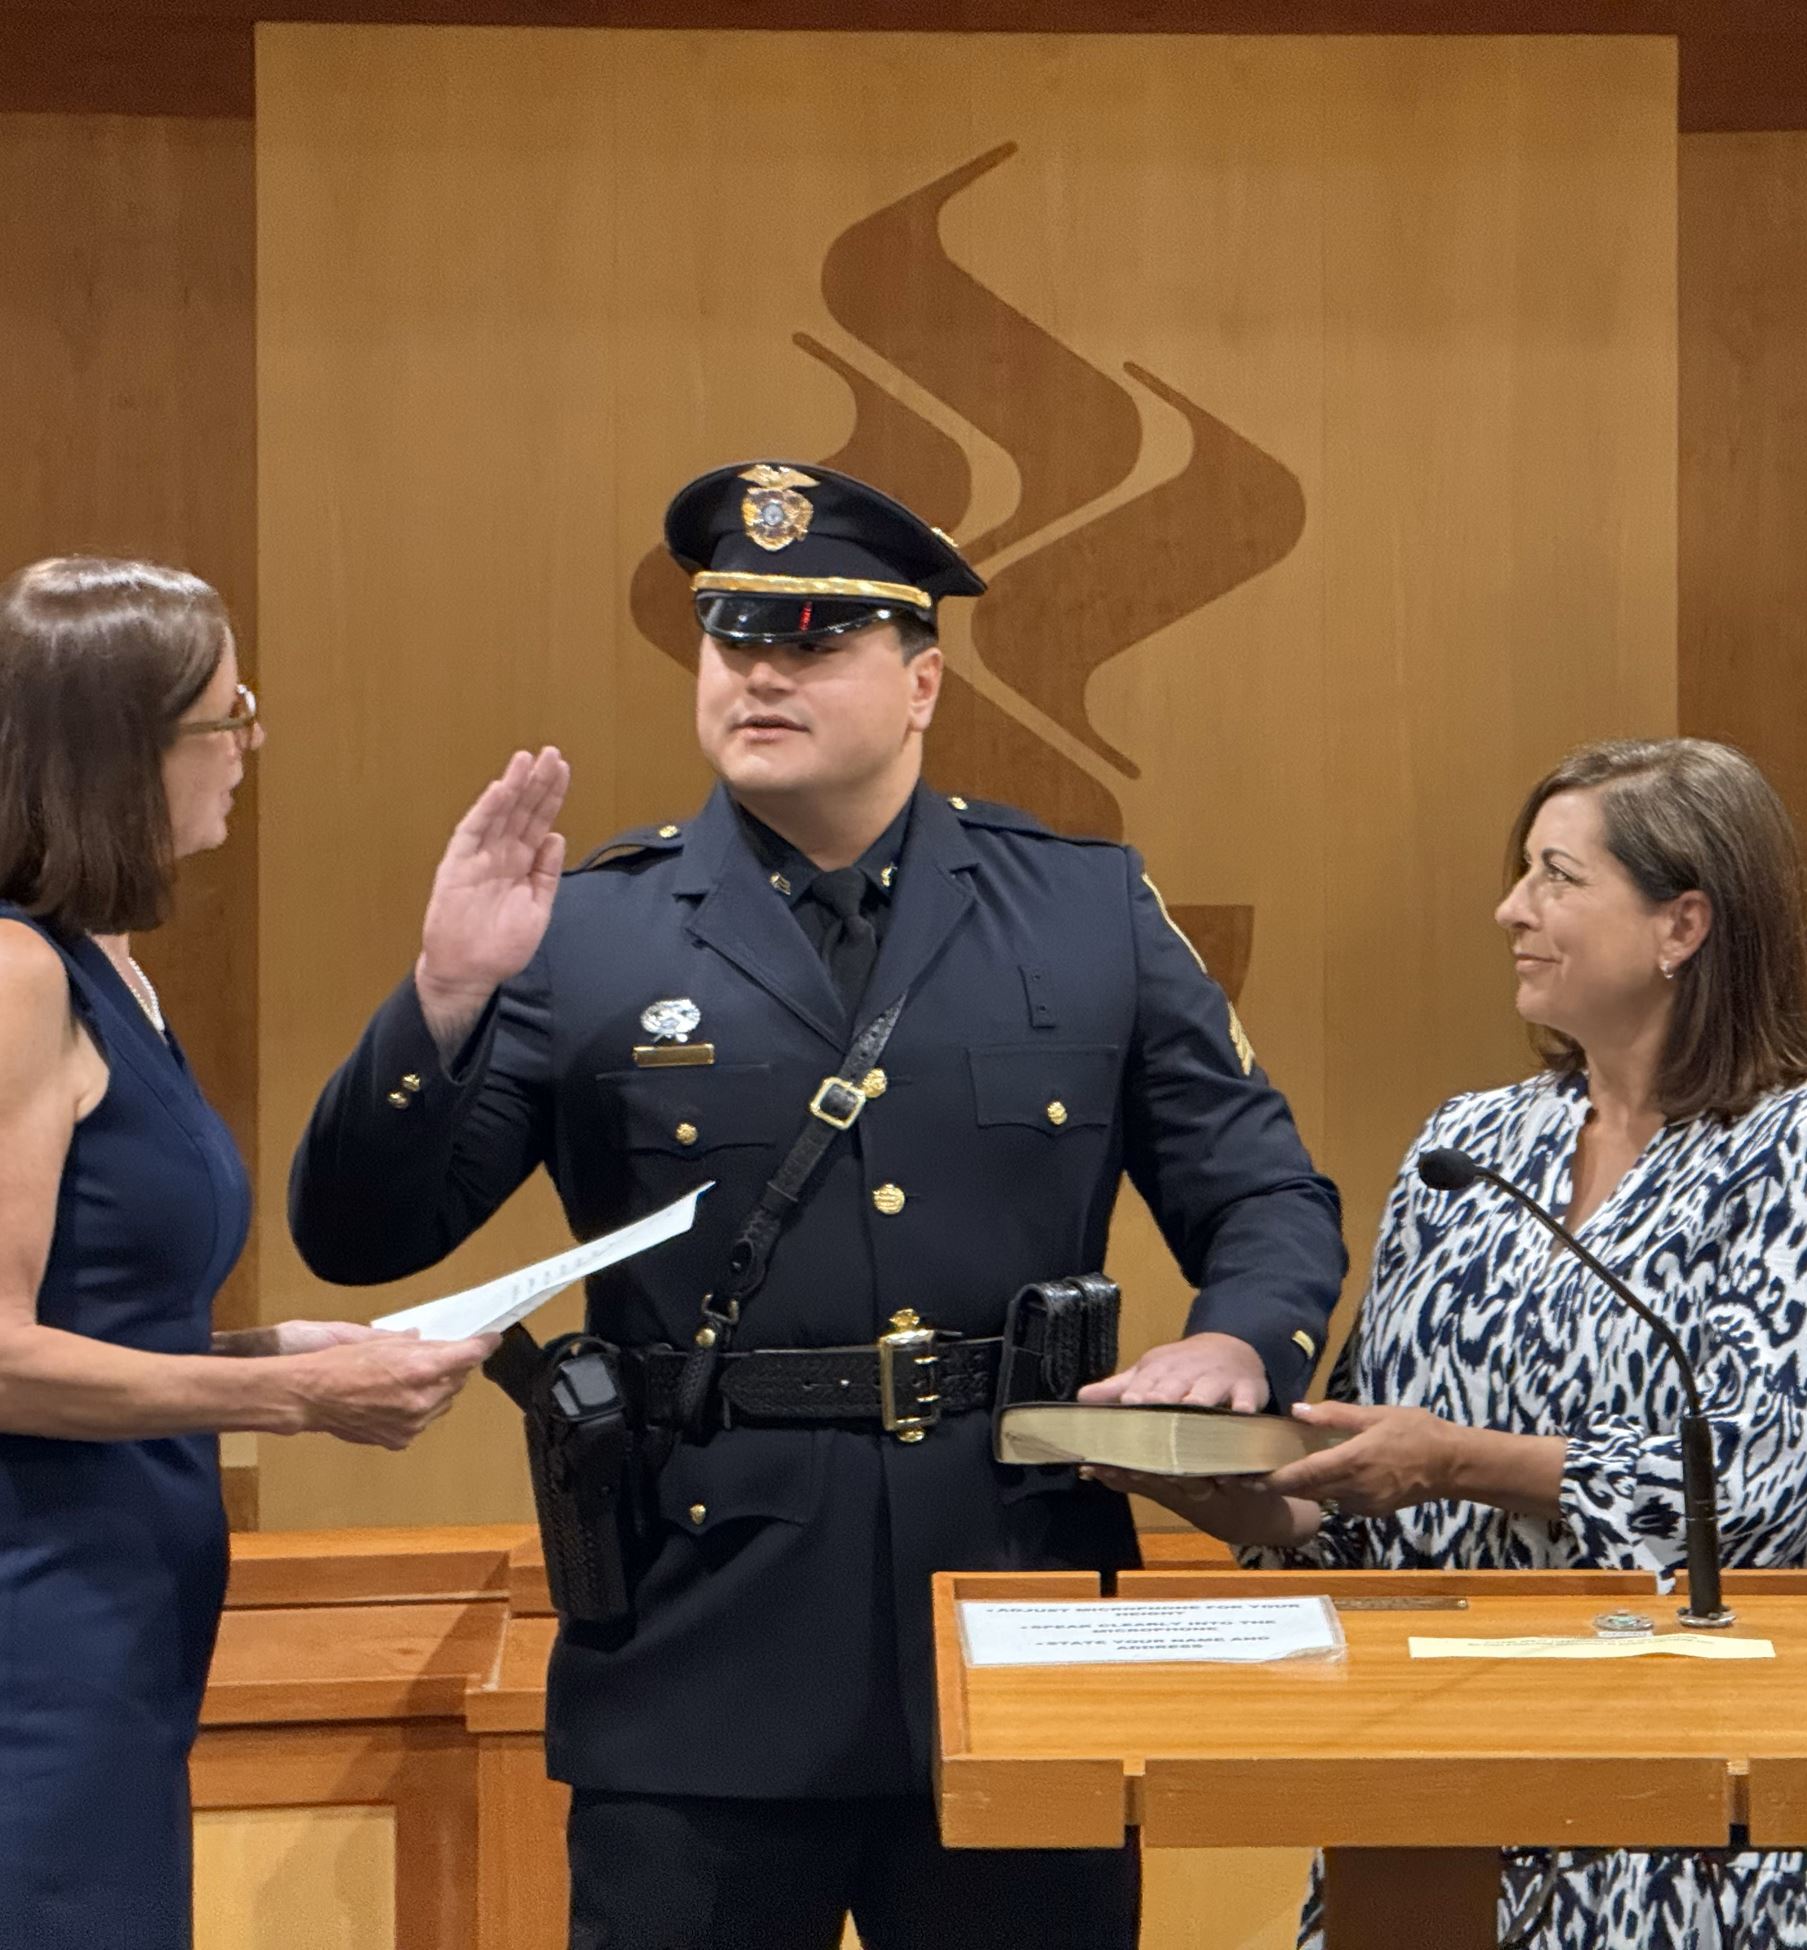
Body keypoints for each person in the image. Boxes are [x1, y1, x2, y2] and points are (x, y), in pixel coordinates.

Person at [287, 462, 1347, 1950]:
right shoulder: (588, 930)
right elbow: (361, 1235)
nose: (762, 672)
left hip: (1015, 1616)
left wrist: (1241, 1344)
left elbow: (1268, 1194)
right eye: (734, 641)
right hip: (701, 1642)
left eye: (814, 640)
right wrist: (444, 999)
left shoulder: (1084, 907)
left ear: (921, 682)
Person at [1116, 738, 1807, 1948]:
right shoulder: (1470, 1145)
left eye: (1555, 877)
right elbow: (1361, 1491)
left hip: (1685, 1825)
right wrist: (1217, 1484)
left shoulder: (1801, 1153)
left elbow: (1746, 1492)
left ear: (1681, 925)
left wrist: (1452, 1461)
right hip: (1433, 1800)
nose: (1510, 909)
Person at [0, 557, 492, 1950]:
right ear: (124, 747)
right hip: (37, 1622)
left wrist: (273, 1349)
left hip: (126, 1610)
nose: (250, 744)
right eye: (229, 714)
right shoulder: (16, 974)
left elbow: (95, 1302)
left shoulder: (108, 964)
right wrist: (289, 1400)